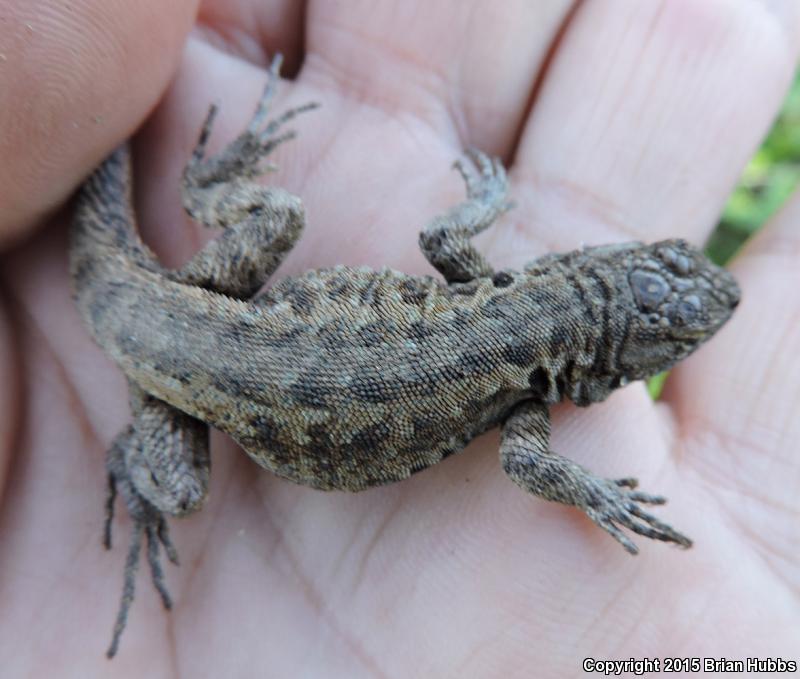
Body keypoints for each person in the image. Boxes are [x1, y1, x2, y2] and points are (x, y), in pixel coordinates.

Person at [1, 1, 797, 674]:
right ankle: (133, 453)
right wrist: (598, 493)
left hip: (196, 315)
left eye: (677, 335)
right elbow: (524, 460)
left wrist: (485, 205)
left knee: (280, 216)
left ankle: (204, 190)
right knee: (177, 490)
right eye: (677, 334)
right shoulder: (523, 400)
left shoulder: (486, 292)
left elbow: (444, 239)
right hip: (182, 350)